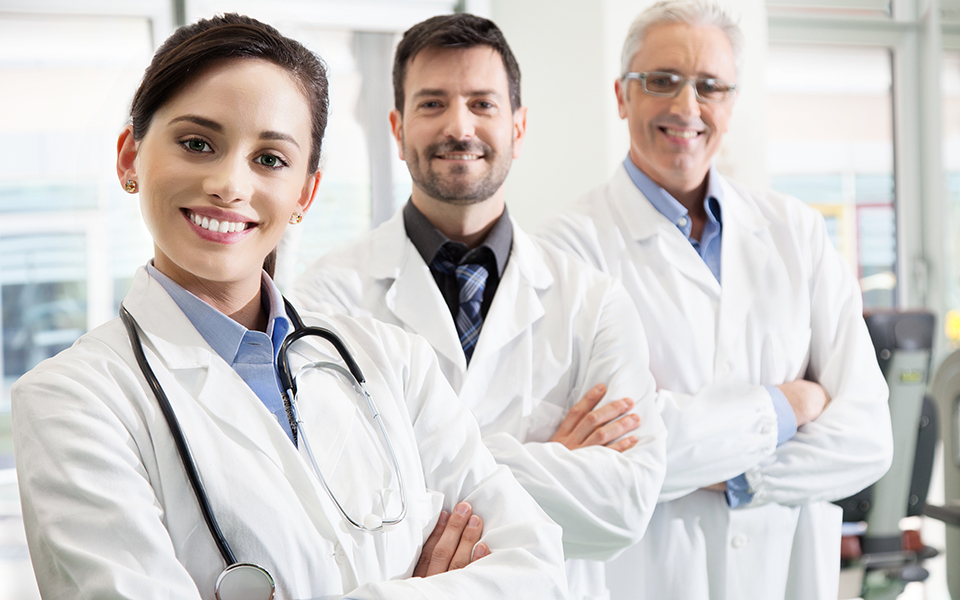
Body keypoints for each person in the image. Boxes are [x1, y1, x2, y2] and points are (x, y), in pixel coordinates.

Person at [11, 14, 569, 600]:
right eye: (197, 143)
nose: (229, 184)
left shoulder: (395, 362)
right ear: (129, 157)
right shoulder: (72, 402)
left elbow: (537, 568)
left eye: (271, 159)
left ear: (305, 193)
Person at [291, 13, 667, 600]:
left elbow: (623, 508)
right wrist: (550, 458)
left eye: (483, 104)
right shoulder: (327, 298)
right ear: (397, 127)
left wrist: (422, 457)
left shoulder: (593, 304)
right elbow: (331, 493)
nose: (458, 126)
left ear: (519, 126)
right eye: (432, 104)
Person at [536, 1, 893, 599]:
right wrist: (789, 405)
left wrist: (735, 475)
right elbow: (599, 461)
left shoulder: (796, 232)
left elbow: (867, 437)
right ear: (622, 97)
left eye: (710, 86)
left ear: (731, 102)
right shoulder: (567, 249)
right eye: (662, 81)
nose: (686, 107)